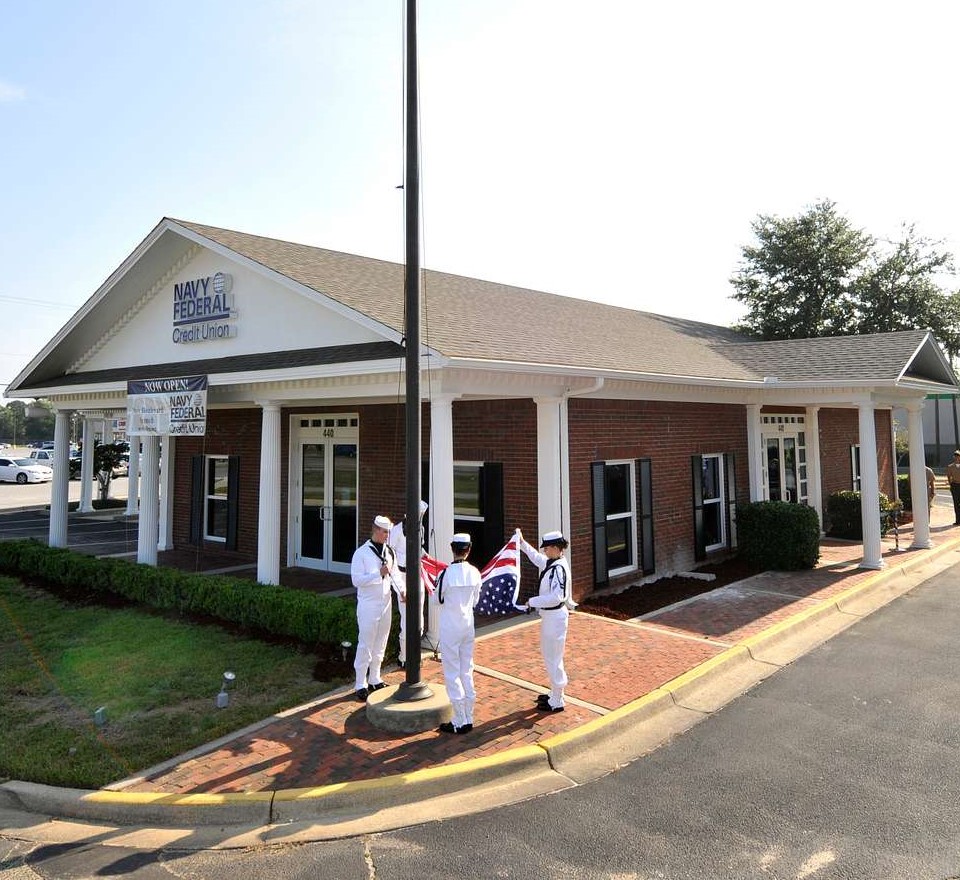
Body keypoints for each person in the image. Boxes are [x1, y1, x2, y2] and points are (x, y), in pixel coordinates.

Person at [514, 529, 576, 713]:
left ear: (556, 548)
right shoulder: (553, 562)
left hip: (555, 617)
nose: (544, 552)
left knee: (554, 657)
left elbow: (556, 597)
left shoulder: (559, 569)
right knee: (550, 655)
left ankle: (557, 700)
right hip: (550, 617)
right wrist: (523, 544)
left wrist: (532, 601)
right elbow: (537, 559)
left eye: (547, 548)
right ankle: (555, 693)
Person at [435, 533, 482, 734]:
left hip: (450, 627)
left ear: (452, 549)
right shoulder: (475, 572)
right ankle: (469, 715)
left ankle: (459, 719)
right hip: (467, 625)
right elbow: (476, 601)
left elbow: (437, 599)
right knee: (466, 669)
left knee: (452, 672)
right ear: (469, 549)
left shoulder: (445, 574)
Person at [350, 515, 398, 701]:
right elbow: (356, 580)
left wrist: (401, 591)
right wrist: (377, 573)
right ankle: (360, 682)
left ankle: (375, 677)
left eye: (388, 532)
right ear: (376, 530)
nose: (387, 535)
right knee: (366, 643)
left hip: (386, 602)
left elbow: (394, 576)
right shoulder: (361, 553)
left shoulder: (390, 552)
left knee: (381, 641)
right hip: (368, 604)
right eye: (385, 531)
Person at [388, 500, 429, 668]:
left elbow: (420, 549)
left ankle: (415, 653)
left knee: (418, 617)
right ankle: (404, 656)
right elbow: (389, 553)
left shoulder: (421, 529)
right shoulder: (396, 531)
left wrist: (427, 559)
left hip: (417, 574)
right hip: (402, 576)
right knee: (406, 617)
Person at [947, 451, 960, 525]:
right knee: (956, 503)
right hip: (955, 485)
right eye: (955, 456)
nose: (957, 457)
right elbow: (949, 476)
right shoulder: (950, 466)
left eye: (958, 456)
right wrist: (951, 484)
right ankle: (957, 520)